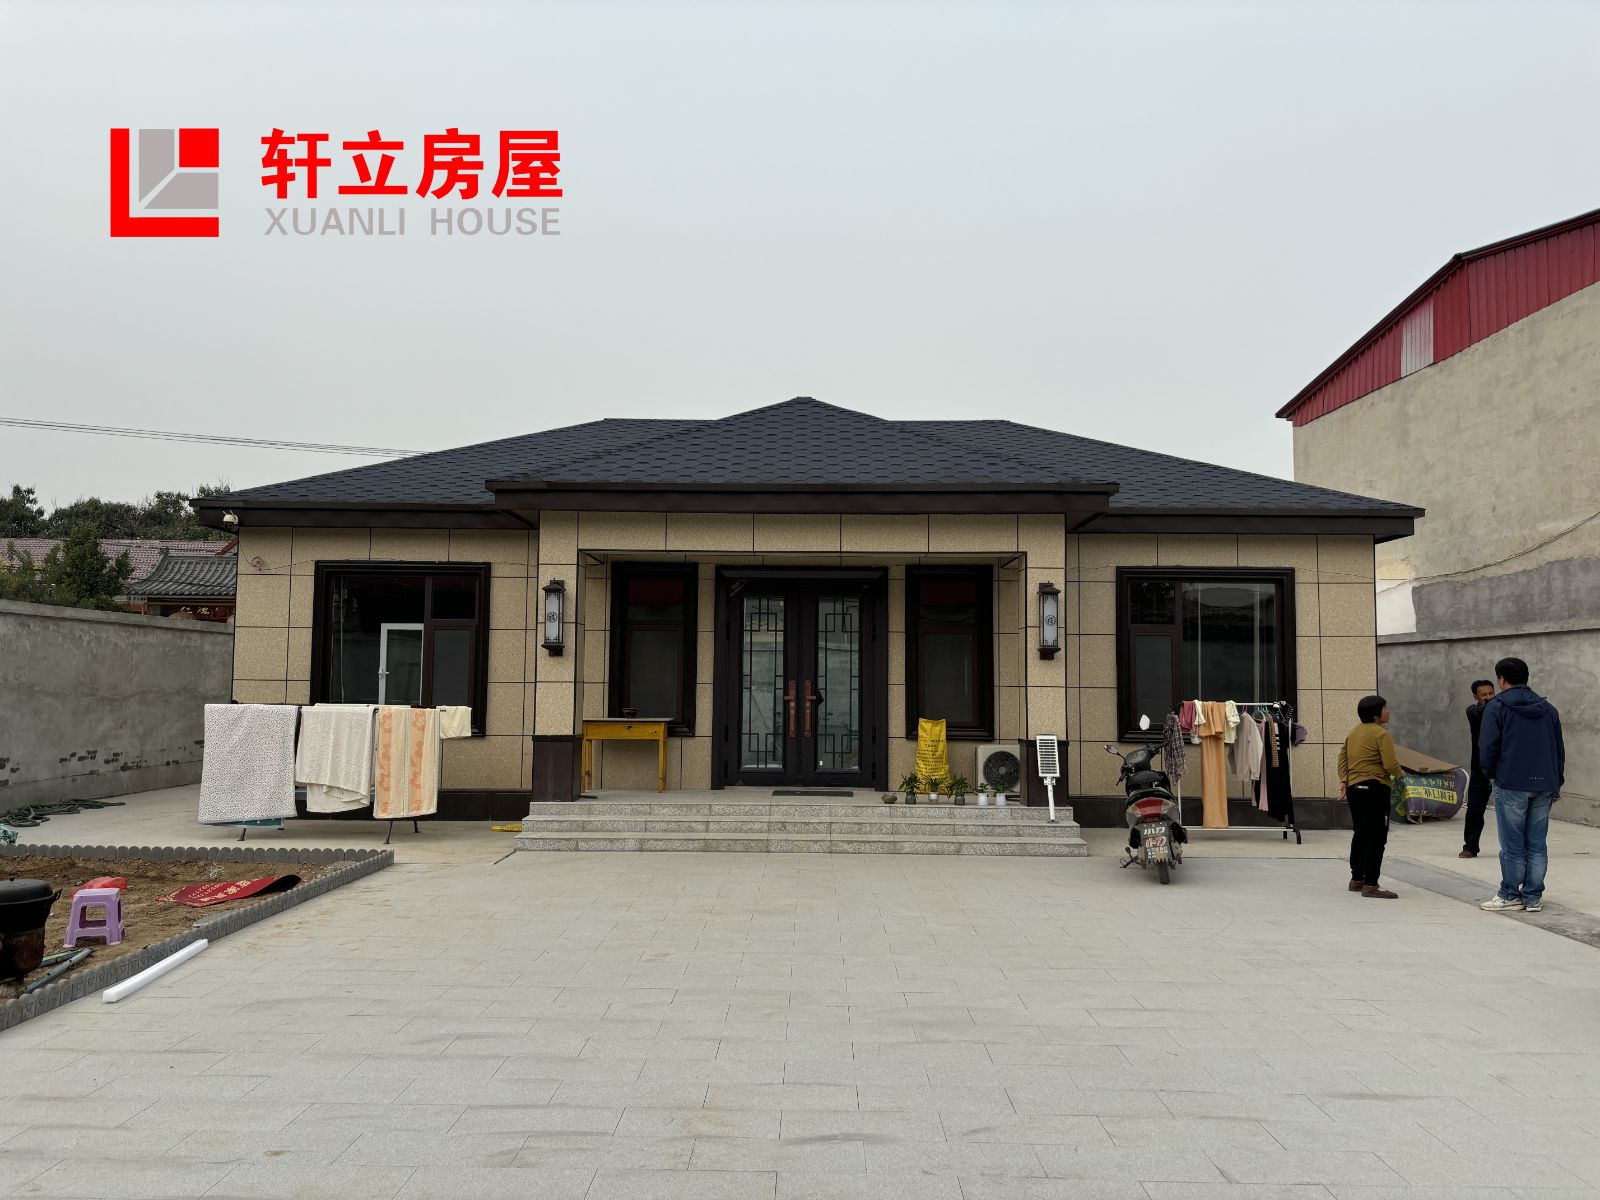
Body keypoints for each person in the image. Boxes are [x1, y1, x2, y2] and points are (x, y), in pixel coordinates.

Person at [1479, 657, 1565, 914]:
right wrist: (1556, 780)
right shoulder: (1548, 709)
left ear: (1501, 679)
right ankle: (1533, 897)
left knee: (1513, 844)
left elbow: (1487, 746)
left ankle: (1509, 894)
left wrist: (1490, 773)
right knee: (1537, 843)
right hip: (1545, 783)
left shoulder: (1496, 707)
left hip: (1511, 782)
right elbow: (1558, 749)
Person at [1338, 695, 1403, 899]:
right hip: (1375, 788)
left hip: (1354, 788)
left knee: (1360, 833)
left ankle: (1357, 879)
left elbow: (1342, 757)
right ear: (1376, 714)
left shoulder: (1354, 732)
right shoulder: (1382, 734)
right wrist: (1401, 774)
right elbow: (1390, 764)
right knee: (1377, 836)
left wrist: (1344, 779)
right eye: (1385, 708)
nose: (1388, 711)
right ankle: (1371, 884)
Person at [1460, 679, 1496, 858]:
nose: (1488, 697)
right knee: (1475, 809)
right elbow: (1482, 711)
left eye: (1491, 693)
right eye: (1484, 695)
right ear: (1476, 697)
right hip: (1480, 768)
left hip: (1502, 768)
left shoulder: (1501, 710)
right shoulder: (1474, 711)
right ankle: (1470, 846)